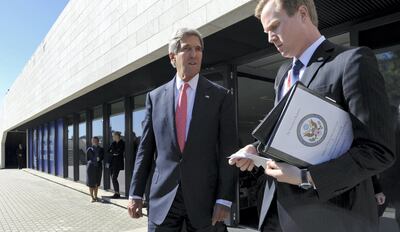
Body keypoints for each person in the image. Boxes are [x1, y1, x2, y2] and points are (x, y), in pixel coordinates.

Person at [229, 0, 396, 231]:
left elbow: (378, 151)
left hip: (331, 216)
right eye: (267, 32)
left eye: (275, 26)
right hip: (276, 213)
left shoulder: (351, 62)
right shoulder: (282, 74)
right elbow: (284, 133)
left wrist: (306, 177)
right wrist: (256, 149)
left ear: (303, 13)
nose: (270, 38)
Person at [127, 27, 237, 232]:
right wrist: (135, 194)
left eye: (198, 49)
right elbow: (145, 150)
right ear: (172, 56)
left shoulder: (220, 97)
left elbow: (227, 152)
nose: (194, 54)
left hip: (205, 203)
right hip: (163, 201)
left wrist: (224, 199)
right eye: (187, 48)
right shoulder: (155, 97)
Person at [86, 137, 104, 202]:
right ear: (92, 142)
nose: (95, 141)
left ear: (98, 141)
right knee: (91, 183)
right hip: (91, 168)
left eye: (96, 140)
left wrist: (98, 159)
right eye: (93, 140)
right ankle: (91, 197)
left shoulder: (101, 149)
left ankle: (96, 196)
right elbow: (88, 159)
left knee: (96, 183)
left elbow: (102, 157)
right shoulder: (89, 149)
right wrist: (95, 159)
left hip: (98, 167)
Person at [108, 131, 125, 199]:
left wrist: (113, 152)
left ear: (117, 136)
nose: (113, 137)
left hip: (118, 163)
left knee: (114, 177)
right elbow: (108, 151)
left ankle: (117, 193)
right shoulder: (113, 143)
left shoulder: (122, 143)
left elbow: (119, 151)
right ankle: (116, 192)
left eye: (113, 136)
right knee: (113, 178)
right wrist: (113, 153)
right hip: (112, 163)